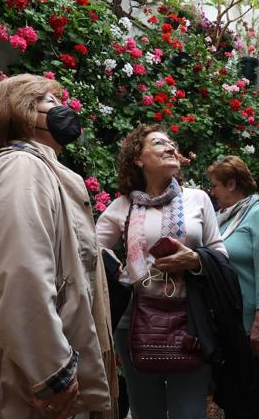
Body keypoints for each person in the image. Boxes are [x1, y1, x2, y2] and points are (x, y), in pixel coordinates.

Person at [0, 74, 115, 419]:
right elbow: (24, 273)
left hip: (22, 369)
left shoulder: (41, 170)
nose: (61, 109)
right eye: (48, 102)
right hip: (16, 380)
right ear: (19, 112)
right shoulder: (22, 167)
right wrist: (53, 372)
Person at [95, 124, 227, 419]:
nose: (170, 147)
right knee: (145, 410)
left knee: (189, 412)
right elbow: (88, 250)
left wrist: (194, 260)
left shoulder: (198, 199)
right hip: (134, 321)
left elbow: (220, 254)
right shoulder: (122, 206)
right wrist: (118, 272)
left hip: (191, 318)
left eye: (171, 143)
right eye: (158, 143)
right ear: (138, 159)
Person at [207, 155, 259, 419]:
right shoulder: (226, 218)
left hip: (251, 323)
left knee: (251, 392)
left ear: (231, 184)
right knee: (234, 393)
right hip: (229, 322)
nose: (212, 191)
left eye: (215, 185)